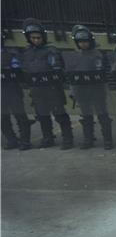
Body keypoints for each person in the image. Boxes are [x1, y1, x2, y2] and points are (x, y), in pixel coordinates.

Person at [19, 18, 73, 149]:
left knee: (60, 114)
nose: (36, 40)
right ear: (28, 38)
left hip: (52, 88)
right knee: (42, 115)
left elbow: (58, 68)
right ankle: (48, 138)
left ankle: (68, 139)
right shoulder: (27, 52)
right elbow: (25, 69)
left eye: (38, 37)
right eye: (33, 37)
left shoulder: (51, 50)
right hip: (37, 89)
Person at [64, 25, 112, 150]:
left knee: (102, 115)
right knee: (86, 116)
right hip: (81, 90)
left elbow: (106, 72)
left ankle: (108, 140)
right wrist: (72, 91)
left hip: (97, 90)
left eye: (85, 41)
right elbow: (71, 75)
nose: (83, 44)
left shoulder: (98, 55)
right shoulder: (74, 56)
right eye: (80, 42)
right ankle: (88, 139)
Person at [1, 32, 32, 150]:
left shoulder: (10, 56)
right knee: (3, 118)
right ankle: (11, 140)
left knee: (20, 115)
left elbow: (19, 72)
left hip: (12, 88)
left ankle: (25, 141)